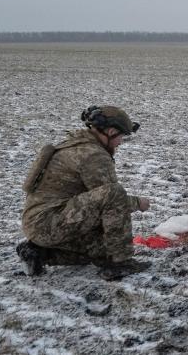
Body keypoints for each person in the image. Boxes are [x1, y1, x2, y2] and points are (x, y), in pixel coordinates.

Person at [16, 106, 152, 280]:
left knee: (102, 249)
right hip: (51, 222)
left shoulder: (75, 144)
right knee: (115, 194)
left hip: (39, 223)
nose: (120, 142)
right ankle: (120, 263)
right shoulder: (94, 155)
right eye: (121, 137)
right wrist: (138, 203)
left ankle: (39, 253)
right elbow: (112, 199)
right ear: (111, 131)